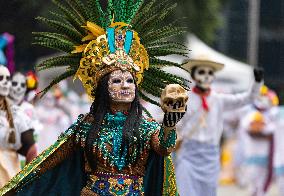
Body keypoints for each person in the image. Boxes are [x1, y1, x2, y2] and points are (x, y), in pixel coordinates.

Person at [0, 0, 188, 195]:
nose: (125, 85)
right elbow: (48, 164)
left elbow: (164, 148)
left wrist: (169, 124)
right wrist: (16, 189)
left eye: (130, 81)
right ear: (102, 88)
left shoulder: (146, 126)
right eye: (116, 81)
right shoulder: (86, 127)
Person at [175, 57, 263, 196]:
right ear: (193, 75)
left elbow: (247, 99)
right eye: (202, 72)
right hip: (188, 154)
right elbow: (175, 124)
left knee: (208, 192)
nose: (206, 76)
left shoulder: (219, 99)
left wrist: (257, 83)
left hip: (210, 155)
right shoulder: (184, 99)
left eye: (210, 73)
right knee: (186, 190)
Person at [0, 65, 37, 188]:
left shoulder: (17, 115)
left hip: (8, 188)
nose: (5, 82)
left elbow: (32, 152)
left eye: (7, 78)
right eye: (1, 78)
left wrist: (26, 185)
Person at [239, 85, 278, 196]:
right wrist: (264, 131)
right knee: (253, 183)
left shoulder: (272, 114)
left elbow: (272, 131)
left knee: (263, 184)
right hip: (252, 154)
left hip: (266, 155)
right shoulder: (250, 113)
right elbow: (251, 130)